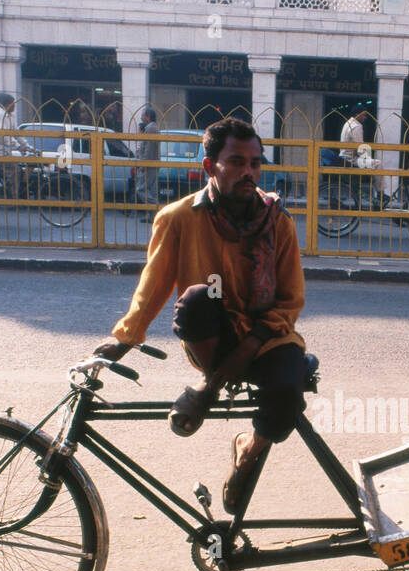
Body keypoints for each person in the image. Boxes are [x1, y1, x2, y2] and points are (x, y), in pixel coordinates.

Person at [93, 118, 306, 515]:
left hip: (268, 337)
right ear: (210, 166)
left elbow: (291, 300)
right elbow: (153, 286)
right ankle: (212, 380)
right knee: (195, 297)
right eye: (237, 162)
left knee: (288, 394)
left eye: (255, 164)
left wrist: (252, 345)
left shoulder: (279, 222)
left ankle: (246, 450)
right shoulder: (178, 218)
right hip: (210, 334)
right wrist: (124, 338)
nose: (248, 173)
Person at [0, 92, 32, 199]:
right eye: (13, 104)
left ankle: (11, 189)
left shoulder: (9, 116)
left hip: (4, 151)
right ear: (7, 104)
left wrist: (27, 146)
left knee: (20, 168)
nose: (14, 106)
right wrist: (18, 146)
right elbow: (3, 135)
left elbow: (16, 133)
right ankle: (13, 197)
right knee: (15, 170)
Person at [134, 108, 160, 206]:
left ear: (147, 117)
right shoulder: (151, 128)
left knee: (141, 189)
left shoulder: (151, 129)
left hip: (149, 165)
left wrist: (144, 164)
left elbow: (149, 149)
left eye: (142, 115)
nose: (141, 117)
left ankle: (156, 207)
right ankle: (153, 216)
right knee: (151, 190)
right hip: (151, 164)